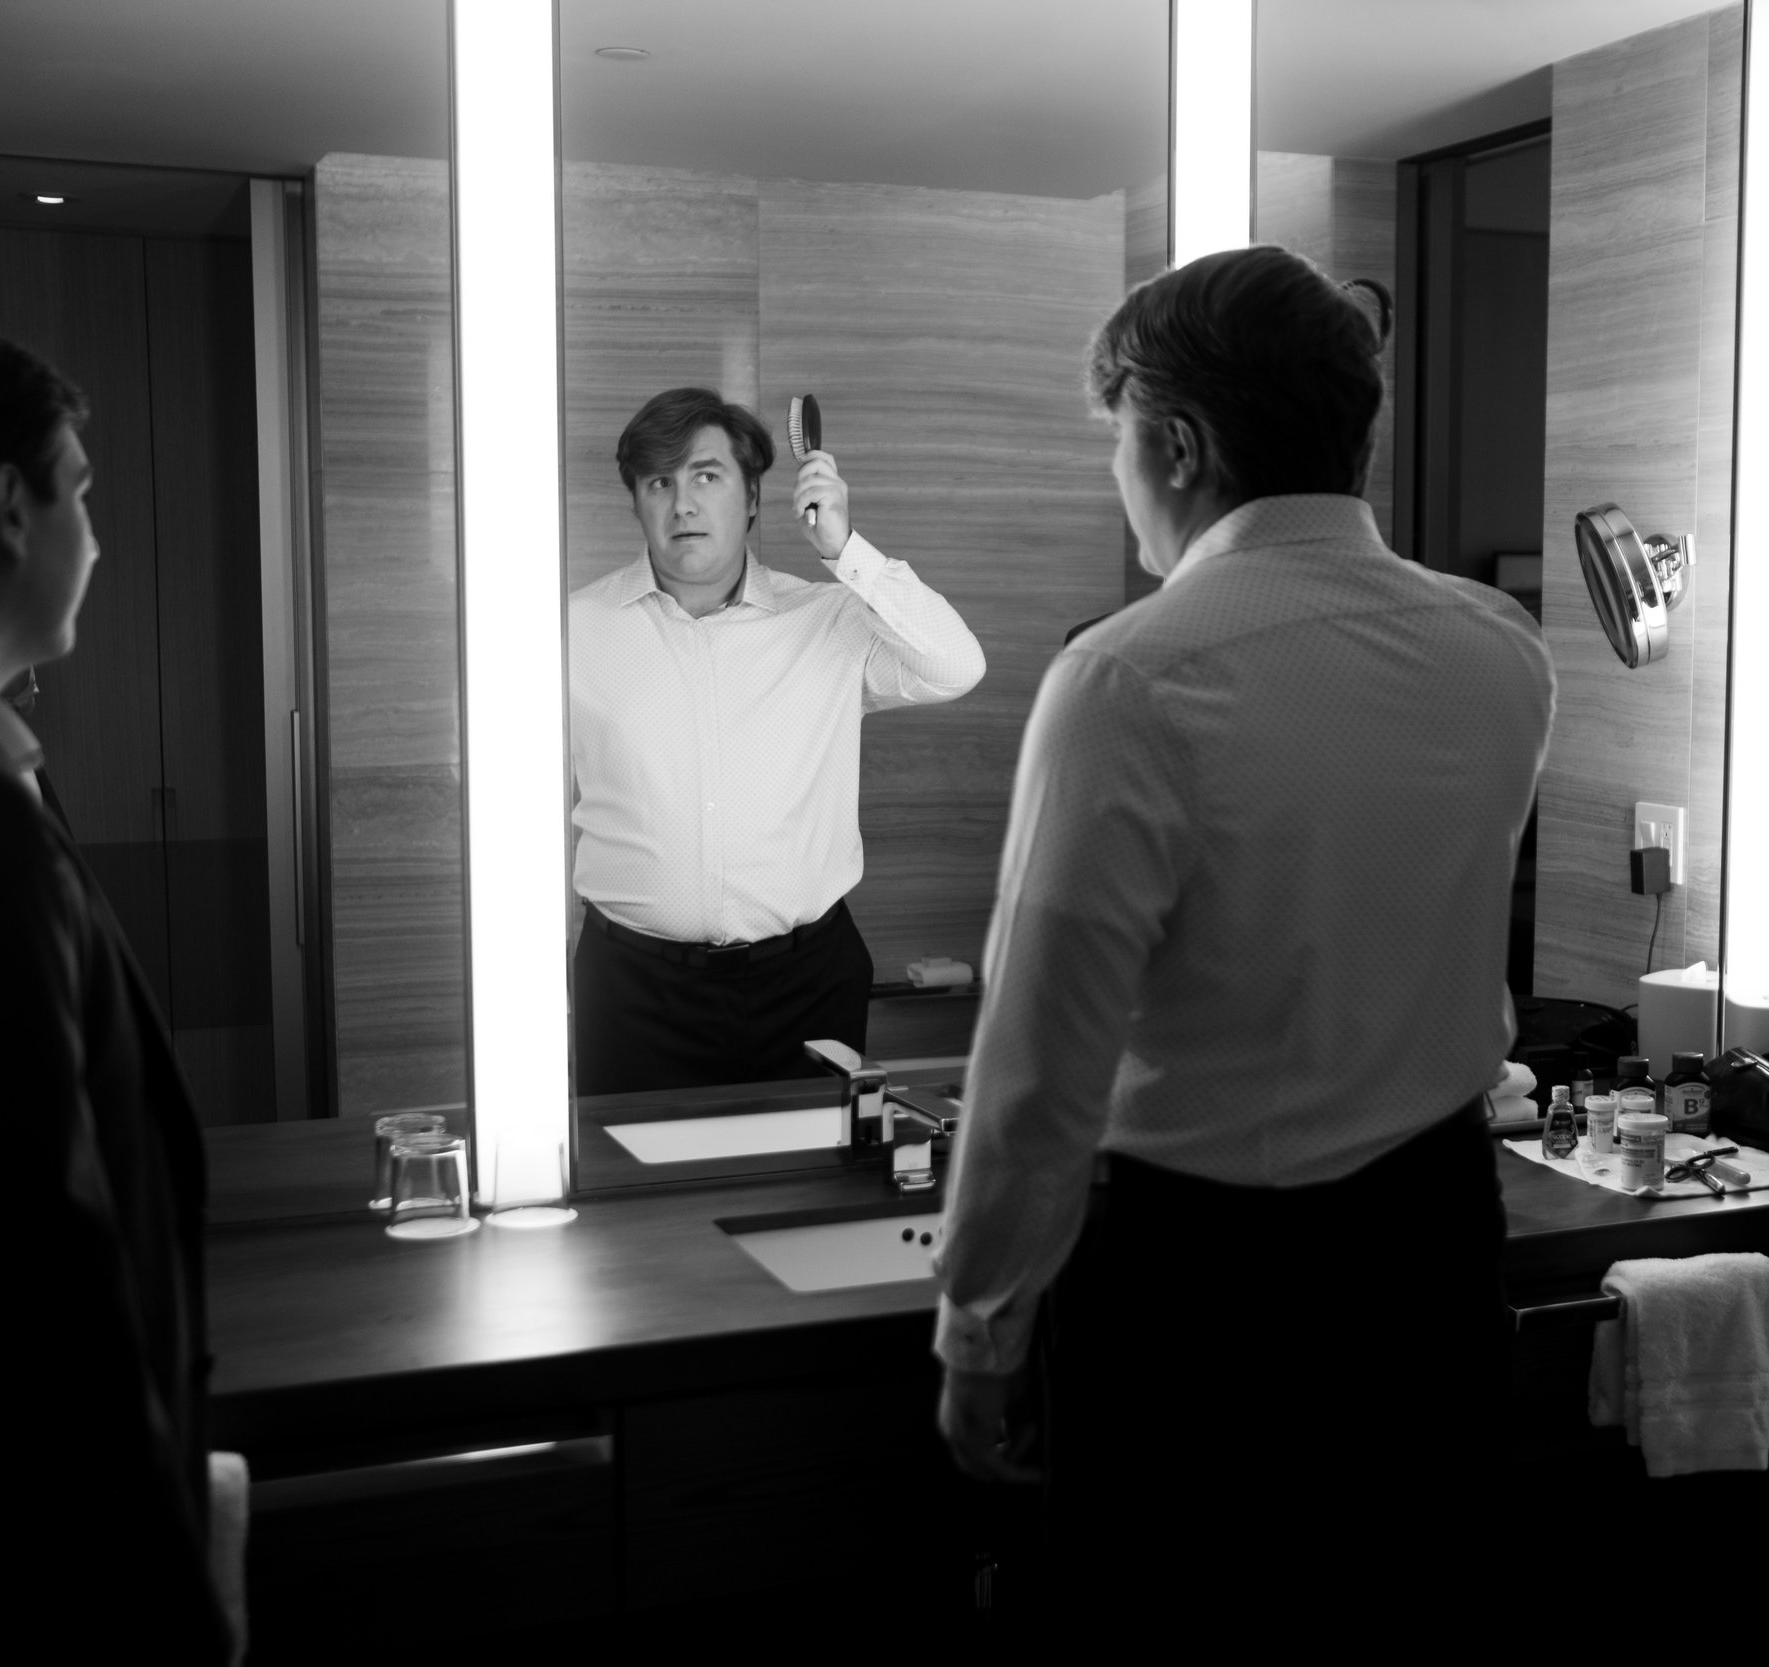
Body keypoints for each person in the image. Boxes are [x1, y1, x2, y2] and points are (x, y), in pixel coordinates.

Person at [930, 248, 1556, 1634]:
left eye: (1116, 439)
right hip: (1434, 1251)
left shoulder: (1129, 673)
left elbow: (1043, 1063)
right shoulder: (1502, 647)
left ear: (1180, 439)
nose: (1119, 475)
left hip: (1199, 1291)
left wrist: (982, 1325)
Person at [0, 311, 233, 1660]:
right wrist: (171, 1599)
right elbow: (32, 1265)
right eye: (82, 490)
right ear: (9, 507)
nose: (99, 536)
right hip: (44, 1564)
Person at [567, 388, 984, 1093]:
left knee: (806, 1185)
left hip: (805, 984)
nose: (682, 504)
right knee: (636, 1198)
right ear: (636, 501)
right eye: (658, 482)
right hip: (633, 990)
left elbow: (957, 664)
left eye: (706, 476)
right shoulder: (575, 627)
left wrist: (845, 550)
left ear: (753, 496)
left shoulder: (830, 620)